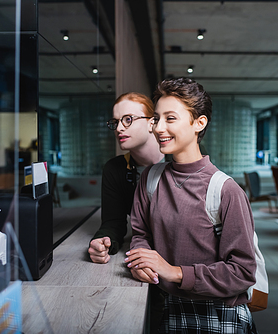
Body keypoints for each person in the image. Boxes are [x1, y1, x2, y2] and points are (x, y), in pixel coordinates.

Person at [124, 78, 258, 333]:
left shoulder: (226, 190)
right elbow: (141, 234)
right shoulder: (150, 178)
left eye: (170, 118)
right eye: (156, 118)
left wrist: (175, 273)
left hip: (217, 315)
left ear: (199, 122)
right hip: (166, 307)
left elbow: (242, 272)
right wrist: (142, 262)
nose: (158, 128)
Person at [88, 92, 164, 264]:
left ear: (151, 123)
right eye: (116, 122)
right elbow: (114, 222)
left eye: (128, 119)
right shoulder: (115, 169)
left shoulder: (182, 157)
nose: (119, 128)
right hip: (142, 253)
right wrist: (103, 241)